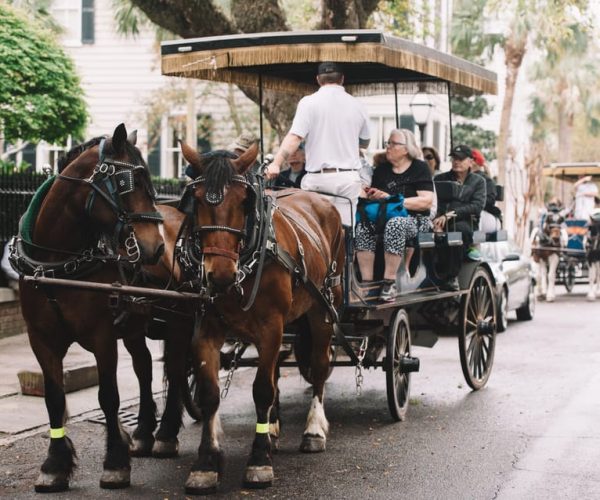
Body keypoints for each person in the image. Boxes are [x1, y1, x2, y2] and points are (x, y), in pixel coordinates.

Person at [267, 61, 371, 226]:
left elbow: (295, 137)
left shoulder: (308, 102)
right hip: (347, 177)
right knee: (344, 232)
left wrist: (276, 163)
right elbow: (364, 142)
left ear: (318, 79)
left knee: (314, 232)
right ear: (342, 79)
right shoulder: (357, 104)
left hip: (318, 178)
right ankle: (347, 251)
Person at [355, 129, 434, 301]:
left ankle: (389, 283)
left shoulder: (419, 168)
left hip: (415, 219)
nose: (388, 147)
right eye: (387, 143)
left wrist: (392, 199)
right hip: (384, 216)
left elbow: (426, 201)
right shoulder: (382, 170)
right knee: (363, 226)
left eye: (392, 143)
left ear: (406, 149)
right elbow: (377, 197)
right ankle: (367, 283)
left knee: (396, 224)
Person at [433, 144, 486, 261]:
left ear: (470, 161)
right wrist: (437, 220)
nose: (456, 162)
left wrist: (450, 214)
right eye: (454, 158)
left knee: (458, 232)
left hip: (465, 221)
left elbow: (476, 207)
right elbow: (434, 202)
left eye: (460, 159)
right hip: (439, 219)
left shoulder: (479, 181)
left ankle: (452, 276)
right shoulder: (439, 179)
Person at [471, 148, 501, 232]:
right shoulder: (458, 178)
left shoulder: (486, 180)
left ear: (474, 162)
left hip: (488, 215)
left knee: (474, 215)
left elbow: (490, 200)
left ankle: (475, 243)